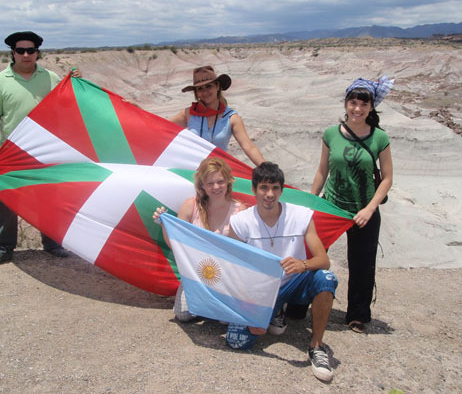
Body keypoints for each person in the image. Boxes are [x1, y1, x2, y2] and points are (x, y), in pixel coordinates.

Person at [226, 162, 338, 382]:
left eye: (275, 188)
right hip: (259, 289)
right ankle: (273, 312)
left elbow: (323, 260)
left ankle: (316, 347)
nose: (270, 194)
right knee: (237, 342)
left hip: (293, 281)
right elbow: (234, 267)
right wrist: (249, 310)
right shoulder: (240, 222)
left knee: (326, 278)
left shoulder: (301, 216)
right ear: (254, 189)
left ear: (282, 190)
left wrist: (303, 265)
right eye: (264, 188)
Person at [0, 31, 81, 269]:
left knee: (50, 197)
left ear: (37, 52)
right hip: (12, 153)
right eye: (20, 50)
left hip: (45, 151)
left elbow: (70, 104)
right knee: (6, 201)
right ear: (12, 53)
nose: (26, 55)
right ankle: (1, 249)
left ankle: (53, 243)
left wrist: (76, 82)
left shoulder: (51, 78)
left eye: (31, 50)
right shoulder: (0, 81)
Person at [311, 76, 394, 333]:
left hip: (363, 211)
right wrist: (312, 200)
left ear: (371, 108)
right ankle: (296, 304)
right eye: (353, 102)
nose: (357, 109)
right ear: (346, 103)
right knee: (310, 254)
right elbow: (322, 171)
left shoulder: (379, 138)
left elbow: (387, 178)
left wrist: (369, 209)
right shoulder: (330, 134)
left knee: (362, 265)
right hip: (332, 207)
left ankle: (357, 315)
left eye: (363, 104)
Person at [153, 157, 246, 321]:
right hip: (196, 274)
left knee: (225, 321)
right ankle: (207, 305)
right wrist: (164, 224)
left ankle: (215, 305)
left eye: (220, 181)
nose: (216, 187)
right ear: (202, 185)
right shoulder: (190, 206)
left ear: (228, 182)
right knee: (183, 315)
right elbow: (177, 245)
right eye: (210, 183)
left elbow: (241, 252)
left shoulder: (239, 210)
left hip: (225, 276)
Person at [169, 66, 265, 166]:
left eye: (209, 86)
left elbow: (248, 146)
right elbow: (162, 127)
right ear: (196, 92)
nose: (205, 92)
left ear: (217, 86)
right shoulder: (188, 113)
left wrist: (266, 168)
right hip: (193, 174)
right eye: (200, 88)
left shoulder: (231, 118)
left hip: (218, 176)